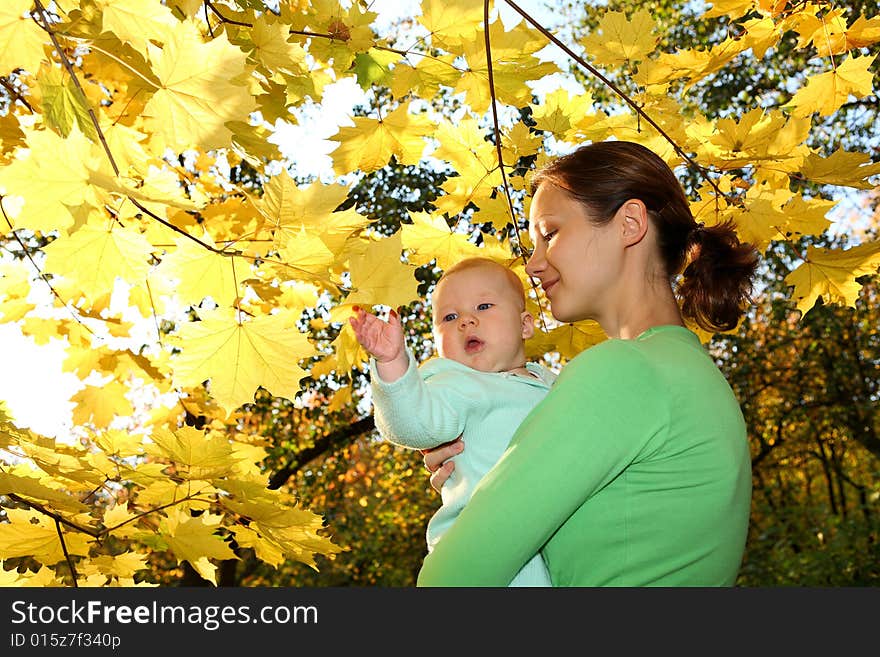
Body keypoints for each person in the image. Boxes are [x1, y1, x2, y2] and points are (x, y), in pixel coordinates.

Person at [417, 140, 759, 586]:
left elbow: (450, 581)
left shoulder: (622, 371)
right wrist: (480, 460)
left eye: (551, 233)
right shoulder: (687, 375)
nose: (534, 265)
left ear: (630, 224)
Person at [349, 256, 557, 586]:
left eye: (484, 306)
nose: (466, 321)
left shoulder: (553, 385)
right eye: (449, 317)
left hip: (549, 542)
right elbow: (414, 423)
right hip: (478, 546)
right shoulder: (453, 382)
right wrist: (393, 364)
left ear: (525, 325)